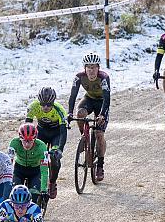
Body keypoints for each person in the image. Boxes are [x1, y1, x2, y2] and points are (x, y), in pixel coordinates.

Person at [67, 52, 110, 181]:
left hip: (102, 102)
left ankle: (100, 165)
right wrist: (69, 112)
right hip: (89, 99)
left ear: (98, 67)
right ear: (85, 68)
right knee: (79, 114)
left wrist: (102, 114)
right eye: (89, 67)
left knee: (99, 134)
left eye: (94, 67)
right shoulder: (79, 77)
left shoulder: (104, 77)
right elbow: (73, 96)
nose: (91, 70)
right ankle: (85, 139)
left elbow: (107, 98)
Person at [25, 86, 67, 198]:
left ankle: (52, 183)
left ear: (53, 103)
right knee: (33, 153)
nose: (45, 107)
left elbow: (63, 133)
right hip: (41, 132)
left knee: (54, 158)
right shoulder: (33, 107)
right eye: (43, 104)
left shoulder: (60, 110)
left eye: (49, 104)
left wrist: (59, 149)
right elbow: (27, 127)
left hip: (56, 134)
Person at [8, 123, 49, 200]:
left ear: (35, 139)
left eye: (30, 141)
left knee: (34, 196)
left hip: (35, 171)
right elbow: (9, 164)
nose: (27, 144)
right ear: (20, 138)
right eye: (24, 140)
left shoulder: (42, 147)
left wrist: (44, 189)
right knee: (14, 195)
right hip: (19, 170)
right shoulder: (14, 143)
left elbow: (44, 170)